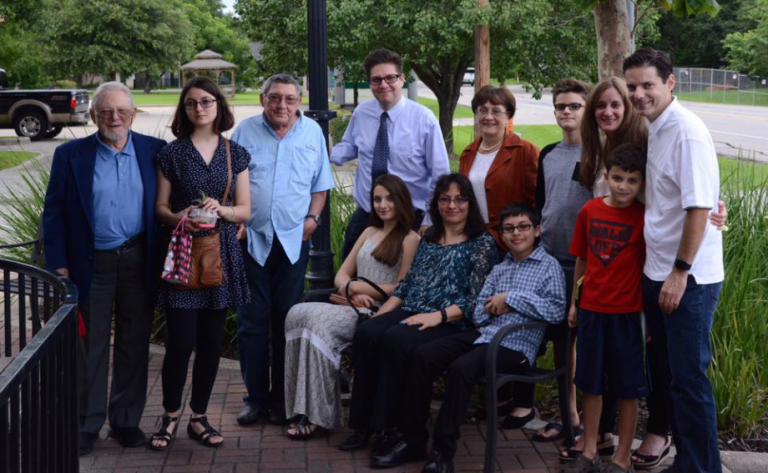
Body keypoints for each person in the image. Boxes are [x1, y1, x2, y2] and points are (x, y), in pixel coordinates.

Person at [392, 202, 566, 473]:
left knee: (462, 368)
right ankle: (413, 439)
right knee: (423, 355)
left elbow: (556, 311)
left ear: (537, 230)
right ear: (502, 234)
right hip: (485, 335)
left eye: (523, 227)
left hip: (516, 347)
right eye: (509, 229)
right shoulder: (500, 268)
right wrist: (493, 307)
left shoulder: (549, 267)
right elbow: (477, 312)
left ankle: (442, 452)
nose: (516, 233)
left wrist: (511, 299)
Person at [43, 81, 166, 456]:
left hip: (139, 258)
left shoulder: (155, 151)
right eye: (106, 111)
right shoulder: (70, 155)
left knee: (134, 341)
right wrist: (59, 266)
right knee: (89, 344)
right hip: (91, 262)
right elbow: (54, 214)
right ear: (94, 115)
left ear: (133, 114)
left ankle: (126, 421)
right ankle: (86, 423)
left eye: (122, 111)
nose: (114, 118)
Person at [339, 173, 498, 461]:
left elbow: (477, 298)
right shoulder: (430, 237)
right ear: (436, 204)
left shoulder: (481, 243)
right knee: (368, 333)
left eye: (459, 199)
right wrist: (381, 315)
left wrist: (437, 316)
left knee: (396, 340)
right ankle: (365, 424)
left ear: (470, 203)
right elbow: (408, 284)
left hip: (452, 320)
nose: (452, 205)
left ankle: (402, 434)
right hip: (413, 308)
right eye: (445, 199)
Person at [624, 47, 724, 473]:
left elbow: (698, 207)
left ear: (669, 82)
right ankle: (687, 461)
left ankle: (701, 467)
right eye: (632, 86)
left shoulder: (685, 132)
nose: (639, 94)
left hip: (688, 279)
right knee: (667, 375)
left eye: (647, 84)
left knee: (688, 379)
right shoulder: (656, 127)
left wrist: (680, 273)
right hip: (658, 272)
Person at [148, 77, 251, 450]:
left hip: (220, 254)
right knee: (180, 343)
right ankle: (169, 415)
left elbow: (245, 210)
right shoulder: (172, 153)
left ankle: (199, 417)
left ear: (218, 105)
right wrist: (179, 217)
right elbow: (160, 209)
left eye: (206, 101)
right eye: (191, 103)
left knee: (210, 344)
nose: (199, 108)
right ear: (184, 109)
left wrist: (223, 210)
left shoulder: (235, 153)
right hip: (182, 254)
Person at [283, 175, 420, 439]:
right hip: (352, 304)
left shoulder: (410, 238)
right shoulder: (369, 232)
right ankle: (301, 407)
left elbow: (402, 287)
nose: (382, 205)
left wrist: (359, 288)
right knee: (297, 312)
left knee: (318, 323)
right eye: (377, 199)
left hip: (379, 313)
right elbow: (341, 275)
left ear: (401, 201)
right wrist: (352, 291)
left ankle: (320, 416)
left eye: (389, 199)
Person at [233, 74, 335, 427]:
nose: (282, 105)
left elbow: (320, 184)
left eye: (290, 99)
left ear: (299, 101)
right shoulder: (245, 131)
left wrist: (313, 218)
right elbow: (229, 180)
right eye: (275, 97)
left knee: (286, 320)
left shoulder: (312, 133)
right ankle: (256, 400)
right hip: (251, 239)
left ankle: (283, 399)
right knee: (251, 322)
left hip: (294, 241)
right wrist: (235, 217)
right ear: (263, 99)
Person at [562, 143, 648, 473]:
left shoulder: (644, 216)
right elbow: (582, 259)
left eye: (632, 180)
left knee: (627, 387)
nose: (624, 186)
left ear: (642, 183)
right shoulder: (590, 210)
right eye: (618, 178)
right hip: (592, 311)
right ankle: (588, 451)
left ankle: (622, 457)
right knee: (591, 383)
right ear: (607, 177)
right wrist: (575, 303)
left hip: (628, 314)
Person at [331, 48, 451, 258]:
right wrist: (324, 150)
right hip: (367, 215)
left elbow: (440, 174)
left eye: (390, 78)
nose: (383, 84)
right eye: (376, 80)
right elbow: (351, 146)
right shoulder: (362, 113)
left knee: (403, 276)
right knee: (349, 271)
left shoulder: (423, 119)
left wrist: (429, 219)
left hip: (409, 219)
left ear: (402, 79)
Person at [458, 86, 538, 249]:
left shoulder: (526, 151)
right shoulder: (468, 153)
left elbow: (538, 201)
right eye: (482, 110)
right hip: (475, 240)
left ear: (508, 115)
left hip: (513, 242)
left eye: (496, 111)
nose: (488, 117)